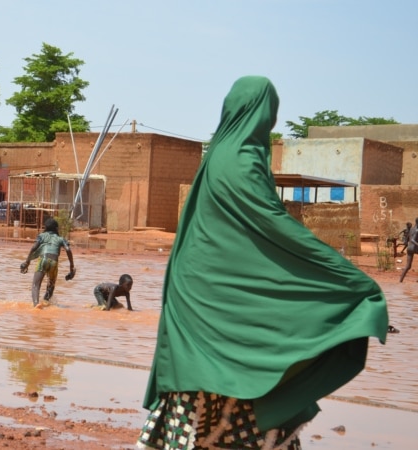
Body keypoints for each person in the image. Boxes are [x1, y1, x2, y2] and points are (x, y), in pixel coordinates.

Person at [137, 76, 388, 449]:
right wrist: (343, 276)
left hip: (196, 294)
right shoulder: (243, 157)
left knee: (202, 389)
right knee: (246, 375)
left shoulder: (217, 155)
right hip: (220, 303)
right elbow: (271, 225)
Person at [19, 218, 75, 307]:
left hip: (43, 260)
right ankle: (45, 302)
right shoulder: (60, 238)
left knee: (35, 285)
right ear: (56, 229)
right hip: (54, 262)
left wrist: (27, 262)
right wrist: (71, 267)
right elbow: (68, 249)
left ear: (46, 228)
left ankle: (36, 304)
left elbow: (34, 248)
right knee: (51, 286)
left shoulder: (42, 236)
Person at [398, 217, 418, 283]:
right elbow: (412, 239)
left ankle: (400, 281)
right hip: (414, 248)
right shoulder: (417, 230)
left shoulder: (411, 229)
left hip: (409, 248)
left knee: (408, 266)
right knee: (408, 266)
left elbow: (409, 238)